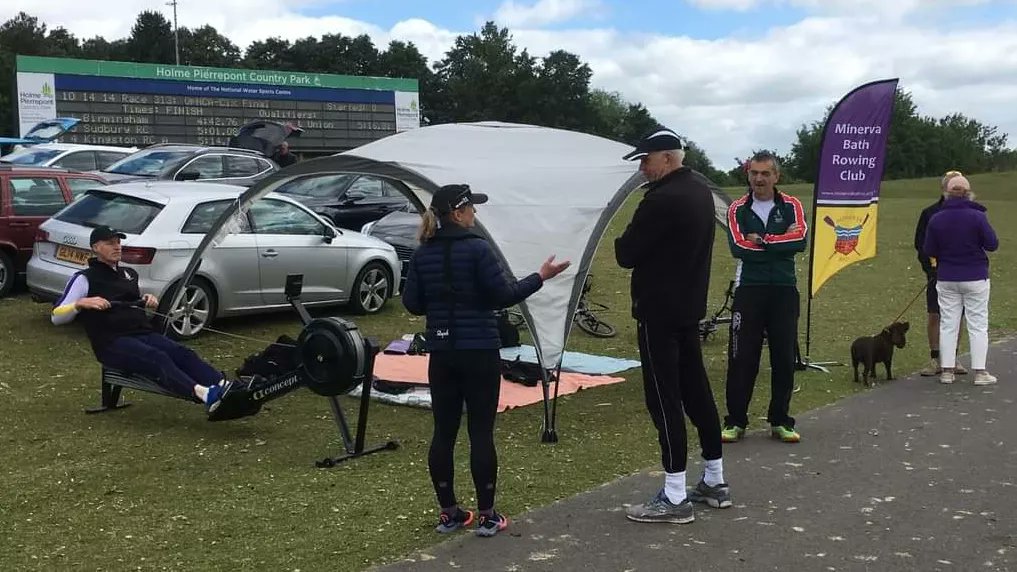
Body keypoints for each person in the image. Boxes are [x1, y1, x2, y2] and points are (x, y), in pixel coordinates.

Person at [401, 184, 569, 537]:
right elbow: (504, 295)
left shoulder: (422, 252)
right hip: (479, 353)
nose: (475, 214)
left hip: (442, 354)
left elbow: (413, 303)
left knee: (443, 433)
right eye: (472, 209)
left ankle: (449, 513)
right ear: (459, 212)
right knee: (480, 432)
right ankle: (487, 515)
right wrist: (541, 277)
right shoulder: (478, 249)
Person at [614, 126, 730, 525]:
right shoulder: (701, 190)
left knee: (664, 399)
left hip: (658, 312)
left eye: (645, 161)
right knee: (697, 393)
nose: (642, 170)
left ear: (666, 158)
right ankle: (714, 479)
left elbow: (625, 253)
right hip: (688, 308)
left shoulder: (661, 200)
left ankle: (675, 493)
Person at [52, 226, 244, 420]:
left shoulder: (129, 274)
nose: (117, 247)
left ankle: (224, 386)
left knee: (182, 353)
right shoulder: (85, 278)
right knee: (157, 357)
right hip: (111, 342)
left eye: (118, 242)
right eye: (110, 243)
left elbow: (131, 302)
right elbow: (57, 317)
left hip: (142, 333)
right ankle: (204, 394)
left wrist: (148, 299)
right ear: (95, 247)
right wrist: (80, 303)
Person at [721, 150, 808, 445]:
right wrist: (780, 240)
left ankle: (780, 420)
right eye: (754, 173)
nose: (759, 179)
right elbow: (739, 248)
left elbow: (800, 240)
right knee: (742, 357)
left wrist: (763, 240)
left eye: (765, 174)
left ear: (776, 176)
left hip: (784, 288)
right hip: (749, 289)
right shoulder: (737, 209)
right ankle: (735, 421)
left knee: (783, 357)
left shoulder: (792, 205)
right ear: (748, 175)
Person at [923, 174, 998, 385]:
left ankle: (947, 371)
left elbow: (929, 249)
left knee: (948, 323)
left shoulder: (936, 218)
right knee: (977, 324)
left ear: (947, 193)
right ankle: (980, 373)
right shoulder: (977, 217)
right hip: (975, 276)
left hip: (947, 277)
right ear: (968, 193)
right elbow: (992, 244)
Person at [914, 170, 969, 377]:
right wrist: (930, 269)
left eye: (960, 186)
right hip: (937, 273)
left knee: (957, 316)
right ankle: (936, 358)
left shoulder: (968, 211)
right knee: (935, 314)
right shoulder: (929, 213)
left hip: (961, 272)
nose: (956, 189)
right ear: (944, 188)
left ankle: (953, 358)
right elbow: (921, 245)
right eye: (952, 185)